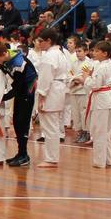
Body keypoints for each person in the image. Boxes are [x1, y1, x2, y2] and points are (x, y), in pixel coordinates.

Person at [31, 27, 69, 167]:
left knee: (50, 127)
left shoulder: (49, 56)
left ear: (48, 41)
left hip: (51, 91)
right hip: (57, 89)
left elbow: (46, 78)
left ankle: (51, 159)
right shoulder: (60, 53)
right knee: (52, 126)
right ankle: (51, 157)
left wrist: (41, 95)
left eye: (41, 41)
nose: (39, 44)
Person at [82, 39, 111, 169]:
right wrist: (91, 76)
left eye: (97, 51)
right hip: (108, 98)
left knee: (99, 131)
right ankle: (108, 160)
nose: (94, 53)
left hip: (101, 100)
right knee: (105, 132)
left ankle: (99, 161)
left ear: (105, 53)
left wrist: (86, 77)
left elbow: (95, 85)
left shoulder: (102, 66)